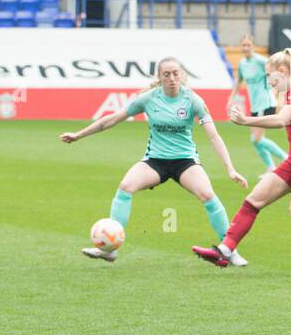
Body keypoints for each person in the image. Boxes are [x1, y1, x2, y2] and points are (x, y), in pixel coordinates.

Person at [60, 57, 248, 263]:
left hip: (185, 161)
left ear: (182, 75)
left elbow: (214, 136)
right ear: (159, 77)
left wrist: (230, 169)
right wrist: (79, 135)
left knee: (208, 194)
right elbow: (113, 119)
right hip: (155, 161)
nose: (172, 78)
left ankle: (229, 250)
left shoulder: (193, 100)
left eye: (176, 73)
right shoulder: (149, 98)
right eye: (166, 74)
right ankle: (110, 248)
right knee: (125, 187)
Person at [193, 47, 291, 277]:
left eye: (269, 75)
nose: (268, 80)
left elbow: (282, 120)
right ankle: (225, 251)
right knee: (254, 200)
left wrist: (246, 120)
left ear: (282, 71)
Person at [229, 35, 288, 174]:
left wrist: (279, 95)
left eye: (248, 45)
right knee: (255, 140)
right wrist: (230, 98)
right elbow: (238, 82)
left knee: (256, 139)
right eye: (243, 45)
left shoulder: (261, 61)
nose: (245, 48)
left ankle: (285, 158)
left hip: (266, 103)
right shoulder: (243, 64)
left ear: (253, 47)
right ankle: (272, 167)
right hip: (255, 106)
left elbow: (277, 73)